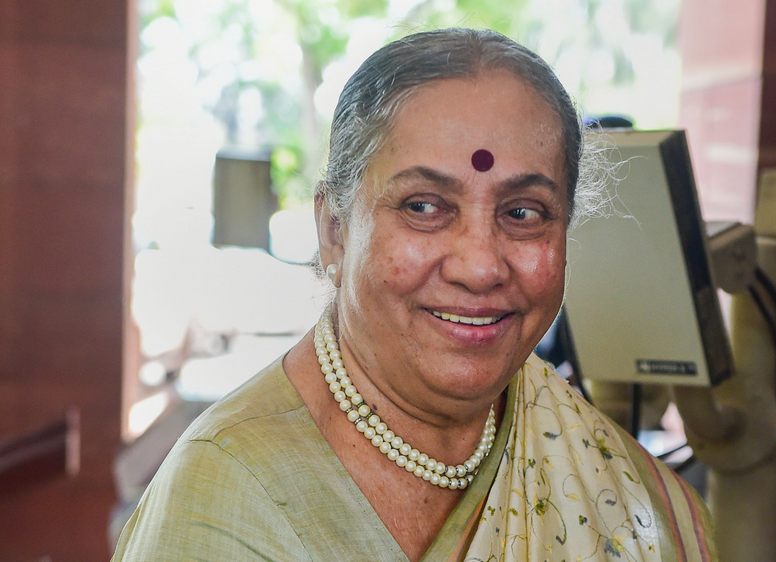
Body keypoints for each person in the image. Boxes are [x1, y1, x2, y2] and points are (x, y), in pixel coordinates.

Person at [112, 28, 715, 560]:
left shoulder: (622, 495)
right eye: (424, 207)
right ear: (334, 230)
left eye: (523, 212)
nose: (480, 267)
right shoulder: (223, 505)